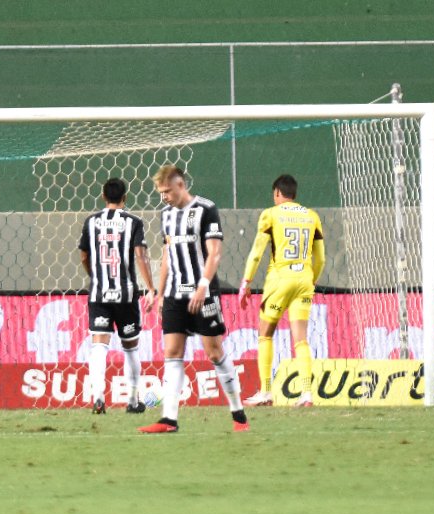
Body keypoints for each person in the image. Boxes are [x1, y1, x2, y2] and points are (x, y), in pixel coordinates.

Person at [139, 165, 247, 434]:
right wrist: (159, 292)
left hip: (203, 294)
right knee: (172, 353)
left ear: (180, 185)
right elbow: (168, 254)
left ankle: (239, 415)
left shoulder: (206, 209)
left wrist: (202, 285)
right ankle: (169, 419)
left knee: (214, 353)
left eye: (167, 191)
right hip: (174, 294)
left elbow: (215, 252)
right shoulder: (165, 214)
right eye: (160, 193)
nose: (164, 197)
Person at [238, 174, 325, 408]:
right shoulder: (311, 216)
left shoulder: (271, 214)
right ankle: (306, 394)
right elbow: (321, 259)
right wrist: (311, 280)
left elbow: (257, 253)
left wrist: (246, 282)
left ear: (277, 193)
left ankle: (266, 391)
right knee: (301, 339)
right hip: (304, 280)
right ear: (294, 193)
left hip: (279, 281)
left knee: (265, 334)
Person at [78, 178, 158, 414]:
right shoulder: (133, 222)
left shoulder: (91, 222)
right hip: (126, 295)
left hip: (99, 293)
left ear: (103, 196)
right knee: (130, 347)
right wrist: (151, 288)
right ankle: (133, 401)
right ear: (125, 197)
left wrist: (95, 275)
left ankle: (98, 398)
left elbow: (84, 256)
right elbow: (141, 255)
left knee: (99, 345)